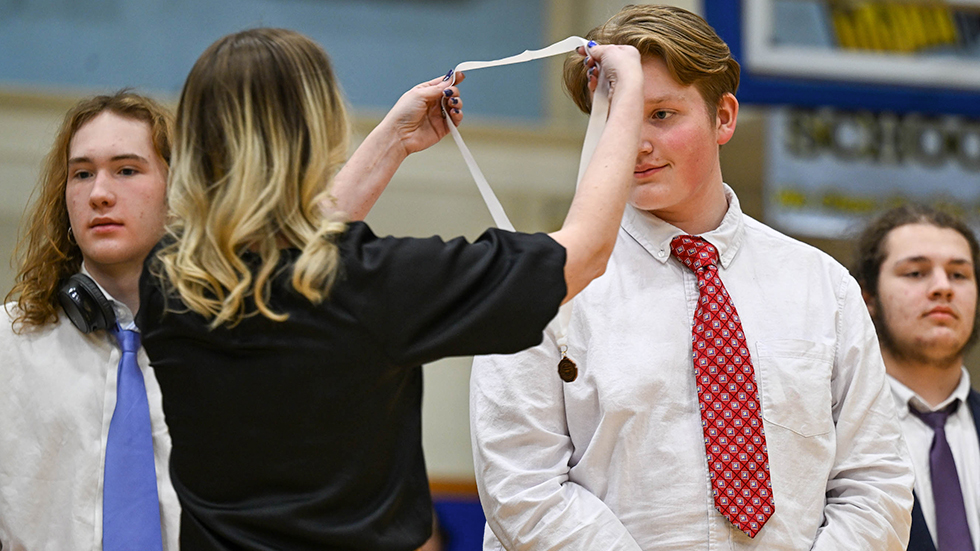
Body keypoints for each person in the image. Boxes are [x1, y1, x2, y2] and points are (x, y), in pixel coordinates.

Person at [134, 27, 643, 549]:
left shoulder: (166, 278)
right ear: (318, 128)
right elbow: (583, 252)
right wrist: (627, 98)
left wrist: (393, 142)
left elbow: (286, 252)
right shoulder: (372, 283)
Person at [470, 5, 914, 550]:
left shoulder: (823, 288)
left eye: (660, 115)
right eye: (617, 118)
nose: (635, 143)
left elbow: (874, 482)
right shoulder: (537, 287)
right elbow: (522, 489)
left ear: (723, 118)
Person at [0, 91, 181, 550]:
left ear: (178, 189)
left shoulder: (225, 346)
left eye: (126, 170)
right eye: (82, 174)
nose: (99, 193)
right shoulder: (8, 343)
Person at [854, 204, 980, 551]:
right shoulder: (829, 431)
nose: (943, 288)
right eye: (916, 273)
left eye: (959, 274)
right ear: (868, 299)